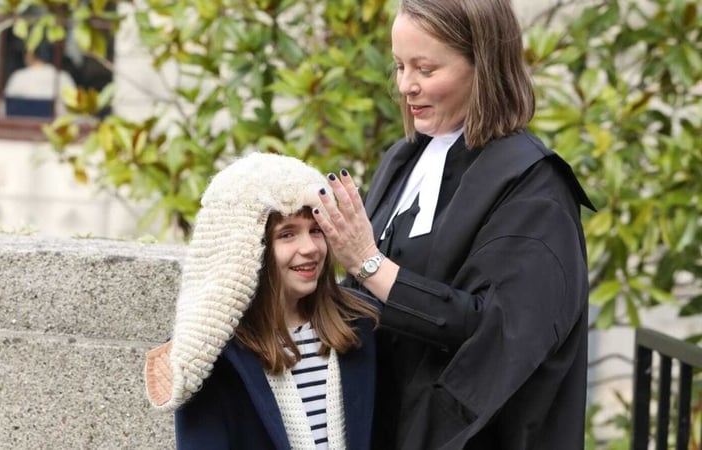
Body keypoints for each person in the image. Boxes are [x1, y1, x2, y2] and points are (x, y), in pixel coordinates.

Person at [311, 0, 595, 448]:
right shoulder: (404, 159)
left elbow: (498, 335)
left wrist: (369, 264)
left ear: (484, 66)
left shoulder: (535, 187)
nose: (406, 85)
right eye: (400, 66)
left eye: (425, 69)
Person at [144, 153, 379, 449]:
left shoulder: (361, 323)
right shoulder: (210, 356)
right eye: (287, 234)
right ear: (247, 247)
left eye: (316, 230)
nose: (309, 248)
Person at [2, 41, 76, 117]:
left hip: (22, 124)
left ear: (30, 55)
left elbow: (5, 110)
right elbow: (75, 109)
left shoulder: (18, 77)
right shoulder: (63, 77)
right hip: (56, 124)